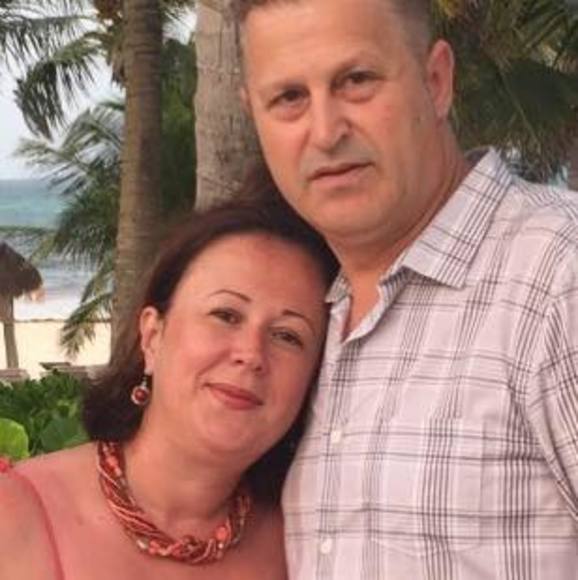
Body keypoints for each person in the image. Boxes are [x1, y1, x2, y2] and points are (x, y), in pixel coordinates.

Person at [235, 0, 578, 578]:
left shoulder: (556, 273)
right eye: (289, 97)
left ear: (436, 81)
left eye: (356, 80)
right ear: (255, 118)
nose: (325, 131)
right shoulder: (305, 313)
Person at [0, 200, 337, 580]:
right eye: (225, 315)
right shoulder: (16, 513)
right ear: (152, 336)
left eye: (288, 336)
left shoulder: (309, 547)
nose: (251, 354)